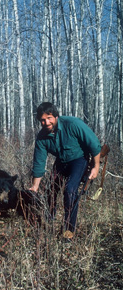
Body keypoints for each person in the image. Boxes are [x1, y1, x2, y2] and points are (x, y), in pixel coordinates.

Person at [29, 102, 101, 240]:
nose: (46, 122)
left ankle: (69, 230)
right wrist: (35, 187)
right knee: (51, 191)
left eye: (49, 118)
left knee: (70, 190)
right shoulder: (42, 137)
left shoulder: (73, 124)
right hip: (61, 162)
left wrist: (95, 166)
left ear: (56, 116)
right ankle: (48, 221)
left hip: (79, 160)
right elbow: (39, 163)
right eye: (43, 120)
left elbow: (94, 145)